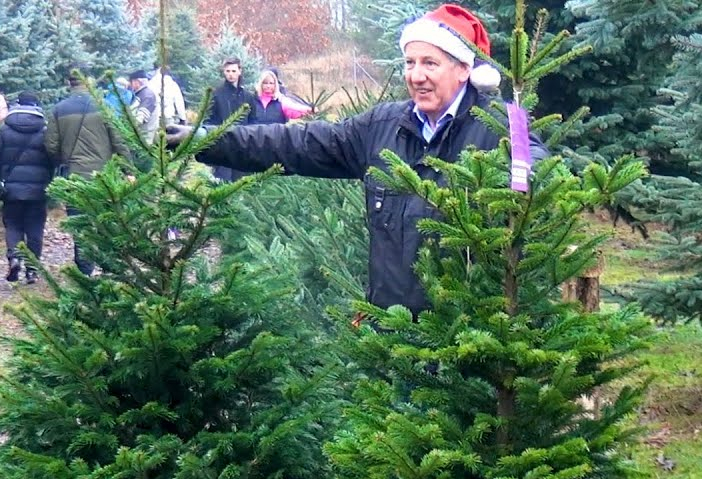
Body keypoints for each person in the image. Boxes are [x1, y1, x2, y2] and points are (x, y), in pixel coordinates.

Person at [169, 3, 547, 318]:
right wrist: (208, 140)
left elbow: (544, 182)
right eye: (410, 62)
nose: (416, 76)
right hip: (392, 336)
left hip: (469, 344)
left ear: (464, 69)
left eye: (430, 63)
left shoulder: (501, 129)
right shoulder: (381, 127)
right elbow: (296, 142)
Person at [46, 71, 130, 274]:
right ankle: (109, 268)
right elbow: (119, 140)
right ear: (89, 81)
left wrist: (63, 160)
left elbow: (50, 145)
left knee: (80, 225)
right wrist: (128, 169)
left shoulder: (59, 109)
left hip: (74, 176)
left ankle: (85, 271)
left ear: (69, 83)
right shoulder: (104, 106)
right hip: (103, 176)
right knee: (105, 222)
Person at [0, 91, 54, 284]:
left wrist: (2, 177)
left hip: (11, 189)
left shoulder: (4, 130)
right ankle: (32, 270)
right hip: (38, 190)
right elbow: (52, 158)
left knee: (13, 225)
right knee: (35, 228)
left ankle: (14, 257)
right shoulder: (45, 131)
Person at [206, 57, 252, 182]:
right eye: (227, 71)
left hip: (242, 145)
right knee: (222, 183)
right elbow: (210, 119)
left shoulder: (247, 96)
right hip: (222, 145)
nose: (230, 75)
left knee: (240, 183)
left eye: (233, 71)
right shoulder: (217, 94)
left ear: (239, 71)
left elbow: (252, 121)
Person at [128, 70, 160, 138]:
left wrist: (128, 126)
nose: (130, 84)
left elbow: (140, 118)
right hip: (138, 134)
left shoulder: (147, 95)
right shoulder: (140, 94)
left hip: (145, 135)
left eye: (131, 81)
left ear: (137, 81)